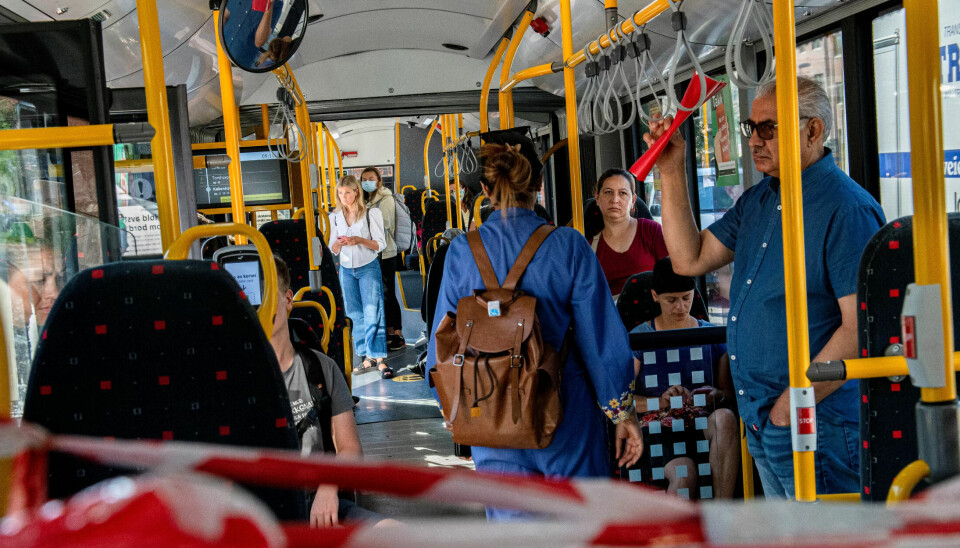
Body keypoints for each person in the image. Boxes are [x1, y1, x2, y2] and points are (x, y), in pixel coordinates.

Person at [646, 76, 885, 498]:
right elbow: (689, 259)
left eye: (768, 128)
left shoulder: (846, 209)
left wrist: (791, 405)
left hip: (815, 420)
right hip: (765, 417)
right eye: (750, 128)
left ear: (812, 130)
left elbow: (859, 328)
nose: (755, 140)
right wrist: (670, 170)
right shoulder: (759, 200)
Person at [427, 143, 643, 520]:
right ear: (539, 186)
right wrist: (623, 413)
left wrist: (456, 408)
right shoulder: (568, 245)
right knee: (580, 525)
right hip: (563, 406)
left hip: (490, 406)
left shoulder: (461, 251)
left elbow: (441, 343)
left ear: (487, 191)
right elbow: (601, 340)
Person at [268, 255, 391, 527]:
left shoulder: (321, 368)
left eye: (268, 294)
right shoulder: (238, 378)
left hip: (318, 502)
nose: (260, 306)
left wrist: (327, 488)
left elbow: (348, 448)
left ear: (288, 300)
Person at [631, 258, 739, 499]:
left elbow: (727, 392)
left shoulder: (712, 336)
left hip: (700, 420)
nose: (680, 307)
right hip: (659, 426)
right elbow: (623, 401)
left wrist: (715, 395)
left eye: (686, 298)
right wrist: (661, 401)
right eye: (671, 300)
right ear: (655, 296)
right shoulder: (638, 340)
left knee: (726, 417)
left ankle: (722, 513)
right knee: (685, 474)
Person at [329, 175, 393, 378]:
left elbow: (379, 244)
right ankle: (365, 356)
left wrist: (358, 240)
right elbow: (332, 246)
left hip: (368, 266)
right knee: (355, 313)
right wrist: (339, 243)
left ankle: (379, 357)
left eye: (347, 192)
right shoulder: (335, 217)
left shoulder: (370, 214)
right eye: (340, 193)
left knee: (373, 310)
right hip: (347, 269)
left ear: (356, 192)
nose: (344, 196)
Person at [592, 168, 669, 296]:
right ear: (597, 197)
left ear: (633, 200)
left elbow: (672, 278)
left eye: (622, 193)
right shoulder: (589, 246)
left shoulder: (651, 231)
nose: (615, 199)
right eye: (608, 192)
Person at [361, 167, 405, 352]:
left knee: (387, 293)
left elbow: (385, 223)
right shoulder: (364, 200)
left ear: (378, 181)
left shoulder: (385, 199)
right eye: (364, 179)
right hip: (369, 253)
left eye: (371, 178)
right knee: (377, 294)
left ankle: (397, 333)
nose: (367, 182)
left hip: (386, 252)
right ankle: (386, 331)